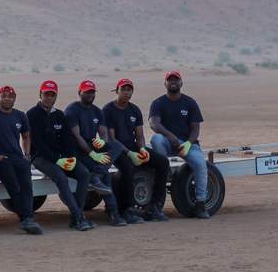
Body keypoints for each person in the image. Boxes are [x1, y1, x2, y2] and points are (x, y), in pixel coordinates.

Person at [64, 79, 137, 224]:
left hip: (92, 148)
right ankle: (114, 214)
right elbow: (76, 136)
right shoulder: (72, 110)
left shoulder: (97, 111)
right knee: (105, 176)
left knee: (115, 147)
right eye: (87, 92)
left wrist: (102, 141)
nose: (90, 94)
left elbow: (104, 133)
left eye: (92, 92)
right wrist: (92, 153)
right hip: (77, 150)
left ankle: (96, 176)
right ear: (80, 93)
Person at [25, 80, 96, 231]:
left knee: (84, 173)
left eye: (52, 95)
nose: (49, 98)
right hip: (40, 158)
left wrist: (71, 157)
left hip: (62, 157)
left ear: (56, 96)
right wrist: (58, 160)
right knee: (61, 178)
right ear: (40, 94)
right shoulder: (32, 115)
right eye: (46, 94)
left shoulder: (59, 115)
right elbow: (38, 144)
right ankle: (79, 218)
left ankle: (75, 216)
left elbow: (68, 139)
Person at [103, 78, 171, 221]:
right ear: (117, 91)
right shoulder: (108, 110)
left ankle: (154, 206)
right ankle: (127, 210)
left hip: (133, 147)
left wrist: (142, 150)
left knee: (162, 162)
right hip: (116, 149)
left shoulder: (134, 110)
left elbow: (139, 135)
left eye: (129, 90)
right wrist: (129, 153)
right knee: (128, 168)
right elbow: (111, 139)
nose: (127, 93)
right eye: (123, 89)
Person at [0, 85, 44, 235]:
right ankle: (26, 219)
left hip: (18, 158)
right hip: (0, 160)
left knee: (27, 185)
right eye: (4, 96)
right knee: (14, 186)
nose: (7, 98)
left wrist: (27, 154)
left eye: (10, 96)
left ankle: (28, 218)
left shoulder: (20, 116)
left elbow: (26, 135)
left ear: (14, 98)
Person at [149, 70, 211, 219]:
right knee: (156, 139)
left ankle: (200, 204)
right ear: (165, 84)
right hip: (167, 142)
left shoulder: (189, 103)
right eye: (170, 80)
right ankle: (165, 168)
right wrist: (170, 136)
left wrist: (189, 143)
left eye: (176, 80)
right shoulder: (158, 103)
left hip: (187, 144)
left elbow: (196, 128)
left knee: (201, 165)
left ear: (181, 83)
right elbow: (154, 124)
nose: (173, 82)